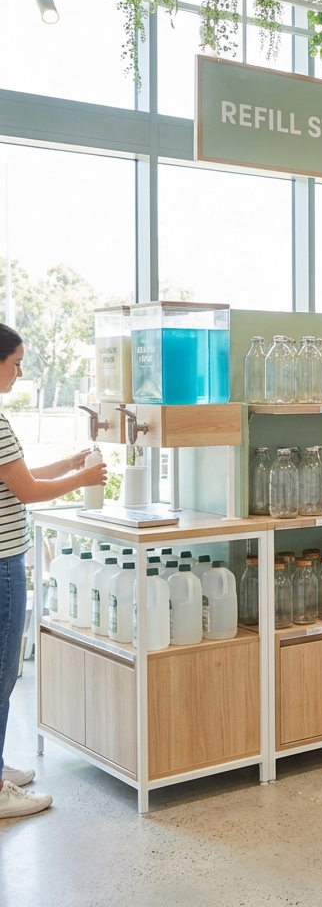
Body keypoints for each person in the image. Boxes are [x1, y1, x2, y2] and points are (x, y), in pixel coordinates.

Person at [0, 324, 107, 819]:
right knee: (3, 676)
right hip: (2, 566)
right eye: (16, 362)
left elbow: (18, 475)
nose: (20, 373)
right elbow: (27, 493)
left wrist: (67, 463)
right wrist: (81, 478)